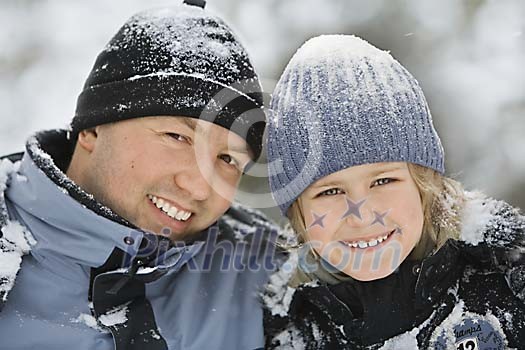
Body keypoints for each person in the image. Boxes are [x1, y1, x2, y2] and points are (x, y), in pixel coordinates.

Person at [0, 2, 281, 349]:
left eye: (227, 159)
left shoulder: (272, 279)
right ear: (92, 128)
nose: (197, 187)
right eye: (178, 138)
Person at [262, 34, 525, 349]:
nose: (361, 213)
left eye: (382, 181)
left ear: (423, 184)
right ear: (299, 215)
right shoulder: (286, 331)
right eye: (330, 191)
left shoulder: (509, 281)